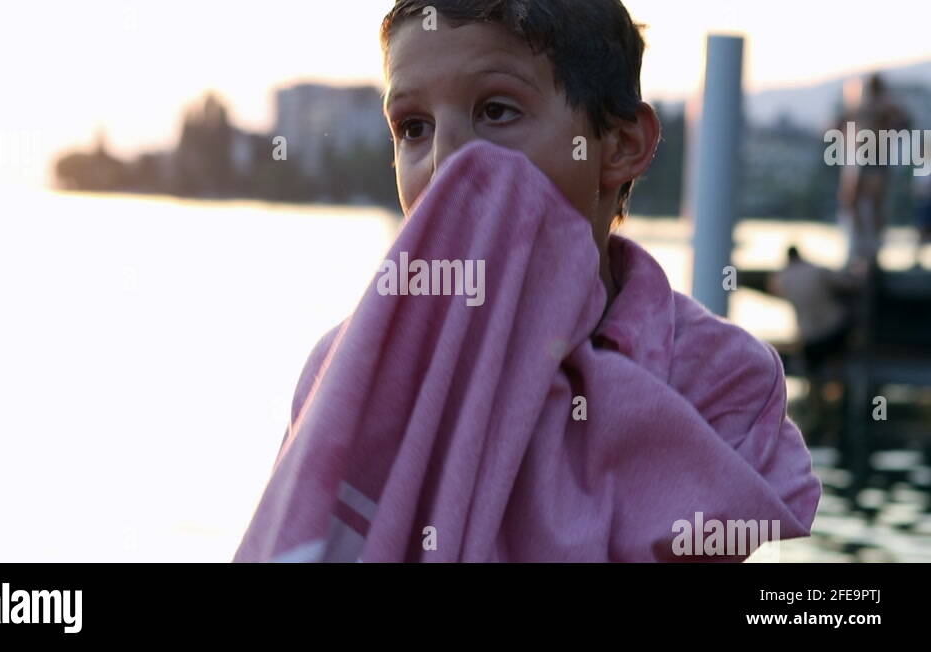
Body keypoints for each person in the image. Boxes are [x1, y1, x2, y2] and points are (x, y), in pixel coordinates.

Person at [234, 0, 821, 562]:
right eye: (413, 127)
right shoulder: (349, 371)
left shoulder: (719, 376)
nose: (447, 164)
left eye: (496, 111)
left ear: (620, 145)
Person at [769, 246, 860, 443]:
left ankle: (818, 412)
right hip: (835, 332)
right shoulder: (817, 271)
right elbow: (849, 284)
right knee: (838, 362)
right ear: (801, 257)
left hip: (811, 340)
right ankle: (839, 404)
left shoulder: (783, 278)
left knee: (813, 377)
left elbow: (773, 288)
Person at [834, 73, 910, 266]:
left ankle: (868, 251)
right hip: (864, 160)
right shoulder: (867, 107)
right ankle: (863, 250)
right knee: (857, 204)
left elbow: (903, 124)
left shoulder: (879, 107)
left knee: (865, 204)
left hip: (871, 160)